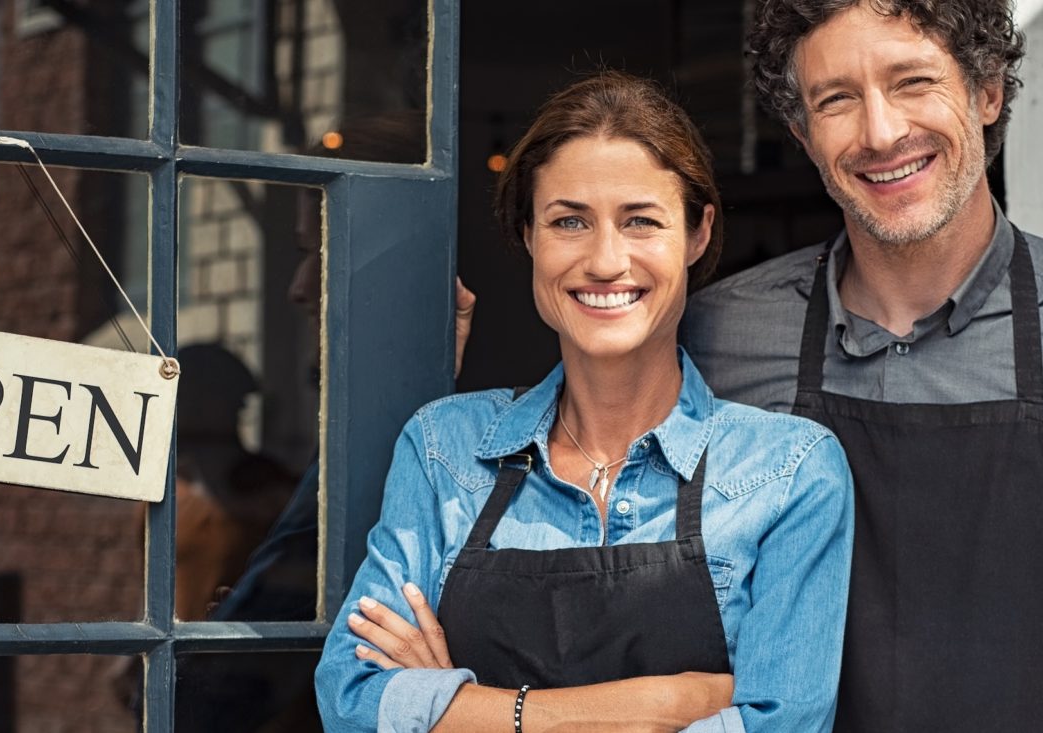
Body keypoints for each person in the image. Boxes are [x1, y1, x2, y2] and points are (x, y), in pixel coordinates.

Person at [681, 2, 1043, 731]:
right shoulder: (717, 338)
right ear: (804, 133)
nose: (881, 132)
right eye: (837, 99)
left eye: (913, 81)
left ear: (988, 89)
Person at [314, 71, 854, 732]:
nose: (605, 260)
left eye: (641, 221)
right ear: (529, 235)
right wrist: (660, 707)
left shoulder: (788, 470)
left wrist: (455, 707)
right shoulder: (444, 448)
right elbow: (351, 696)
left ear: (698, 232)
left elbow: (784, 723)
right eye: (569, 220)